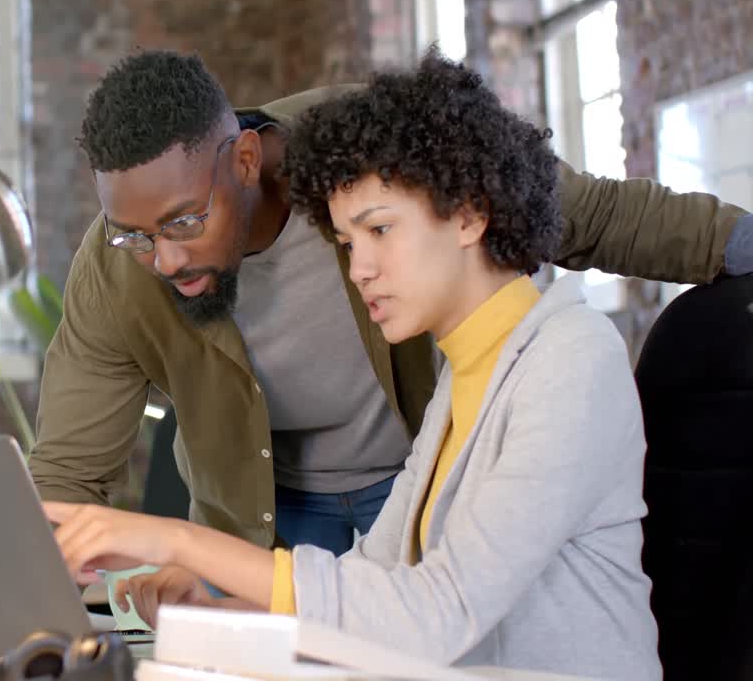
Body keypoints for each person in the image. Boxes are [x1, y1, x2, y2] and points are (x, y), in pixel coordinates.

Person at [43, 52, 661, 679]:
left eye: (381, 231)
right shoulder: (459, 387)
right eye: (346, 243)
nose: (360, 268)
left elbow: (435, 612)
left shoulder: (570, 362)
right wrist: (219, 611)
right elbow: (371, 590)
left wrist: (176, 541)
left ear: (471, 213)